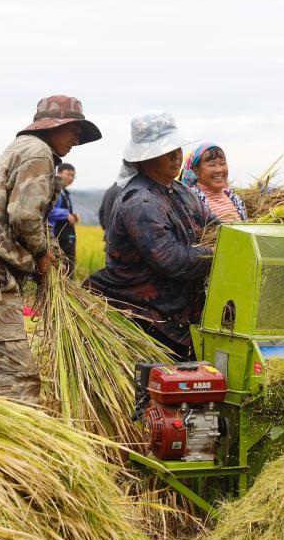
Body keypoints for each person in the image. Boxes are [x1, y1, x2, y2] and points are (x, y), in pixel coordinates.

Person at [0, 95, 101, 404]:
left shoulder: (21, 147)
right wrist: (41, 254)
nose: (76, 140)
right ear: (53, 126)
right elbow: (24, 215)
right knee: (17, 385)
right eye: (73, 131)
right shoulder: (38, 153)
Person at [86, 112, 213, 361]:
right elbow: (172, 260)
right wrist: (216, 253)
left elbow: (214, 226)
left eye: (177, 149)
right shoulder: (141, 202)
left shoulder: (183, 193)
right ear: (146, 158)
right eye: (166, 151)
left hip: (179, 316)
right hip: (145, 320)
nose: (176, 156)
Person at [179, 141, 248, 222]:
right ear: (196, 170)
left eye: (222, 163)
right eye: (212, 165)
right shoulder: (191, 200)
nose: (219, 170)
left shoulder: (234, 198)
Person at [48, 162, 81, 273]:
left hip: (67, 237)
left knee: (68, 269)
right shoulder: (52, 188)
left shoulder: (64, 192)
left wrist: (72, 216)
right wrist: (66, 214)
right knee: (58, 269)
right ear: (59, 173)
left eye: (73, 176)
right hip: (55, 237)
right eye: (68, 174)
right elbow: (46, 210)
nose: (71, 178)